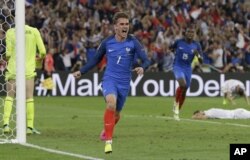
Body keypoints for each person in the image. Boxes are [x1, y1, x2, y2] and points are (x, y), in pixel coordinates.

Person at [72, 12, 150, 154]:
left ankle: (106, 130)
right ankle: (109, 140)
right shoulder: (107, 42)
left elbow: (146, 60)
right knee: (111, 103)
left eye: (127, 24)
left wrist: (142, 67)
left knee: (117, 113)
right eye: (122, 24)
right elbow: (95, 60)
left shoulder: (133, 42)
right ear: (115, 27)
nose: (125, 26)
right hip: (110, 79)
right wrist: (81, 71)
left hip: (124, 83)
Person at [3, 24, 46, 134]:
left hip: (14, 68)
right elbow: (43, 52)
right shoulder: (34, 31)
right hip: (28, 69)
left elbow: (8, 54)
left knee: (10, 96)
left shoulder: (10, 32)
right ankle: (29, 127)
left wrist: (7, 58)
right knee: (29, 98)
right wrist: (39, 60)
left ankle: (6, 125)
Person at [171, 26, 203, 121]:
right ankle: (175, 104)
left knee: (185, 89)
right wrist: (176, 54)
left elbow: (201, 61)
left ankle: (177, 109)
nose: (190, 34)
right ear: (185, 33)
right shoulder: (179, 42)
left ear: (194, 34)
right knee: (183, 84)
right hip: (178, 66)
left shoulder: (196, 45)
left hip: (188, 68)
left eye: (192, 32)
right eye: (189, 32)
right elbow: (171, 48)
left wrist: (198, 55)